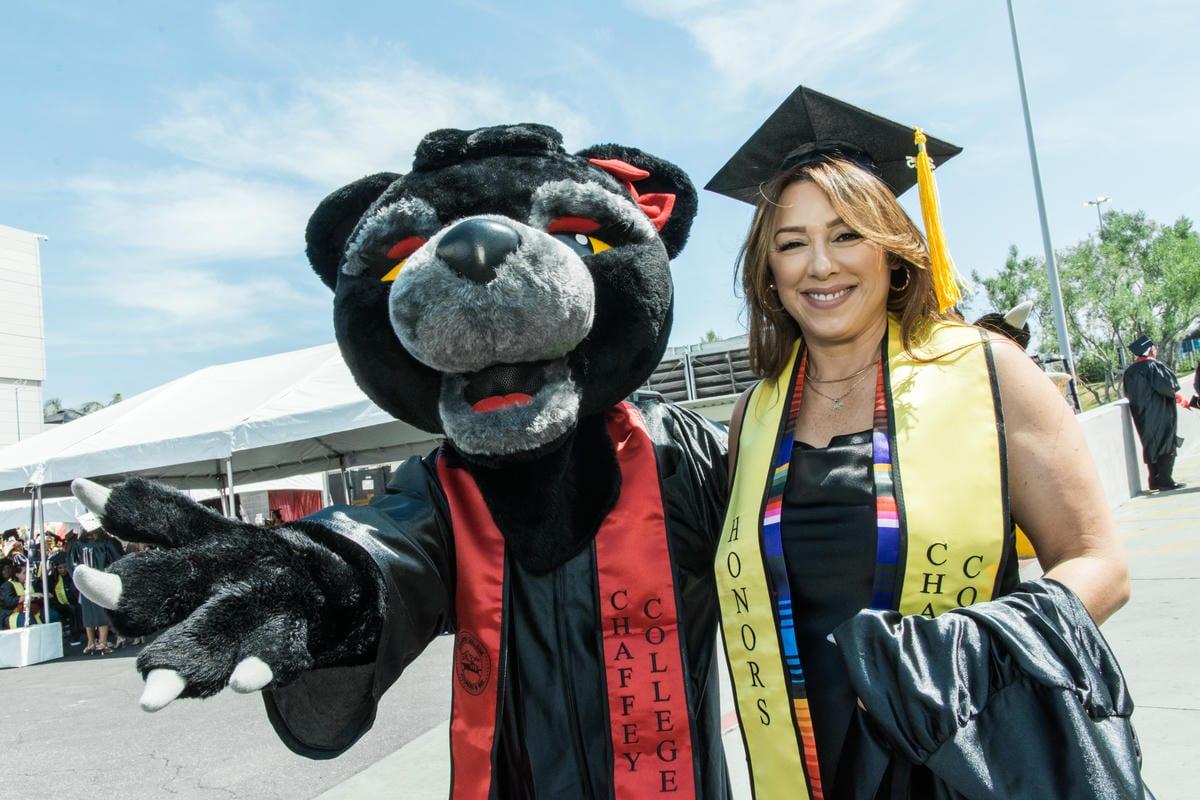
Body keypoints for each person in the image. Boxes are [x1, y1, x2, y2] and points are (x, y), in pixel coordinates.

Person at [706, 86, 1137, 798]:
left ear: (893, 250)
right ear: (769, 271)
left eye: (846, 234)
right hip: (809, 763)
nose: (820, 265)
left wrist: (974, 651)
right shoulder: (755, 414)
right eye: (792, 243)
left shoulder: (987, 371)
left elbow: (1099, 565)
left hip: (960, 752)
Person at [1123, 335, 1187, 491]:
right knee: (1166, 442)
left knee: (1150, 444)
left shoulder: (1130, 371)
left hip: (1141, 415)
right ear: (1150, 350)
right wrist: (1178, 397)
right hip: (1160, 412)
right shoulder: (1154, 367)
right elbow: (1167, 388)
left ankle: (1153, 480)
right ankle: (1165, 480)